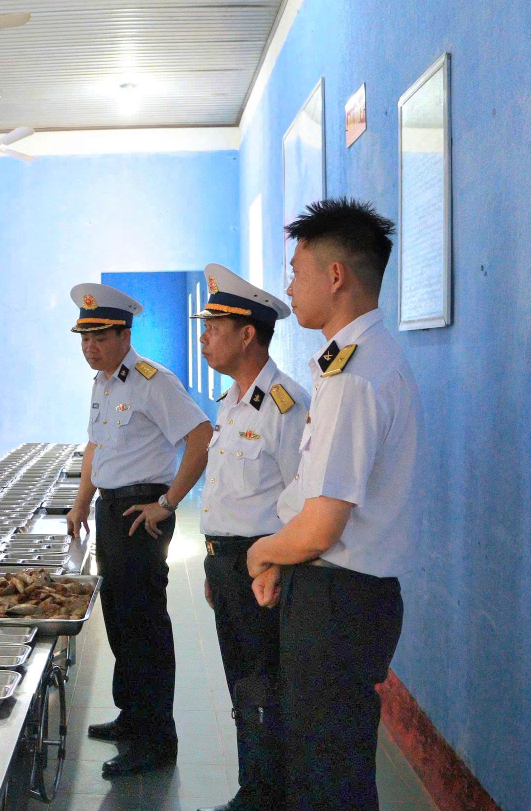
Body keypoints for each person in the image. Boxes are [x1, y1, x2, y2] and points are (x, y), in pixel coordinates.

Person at [246, 198, 423, 811]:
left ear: (336, 276)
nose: (290, 287)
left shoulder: (353, 377)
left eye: (297, 271)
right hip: (344, 596)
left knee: (326, 778)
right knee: (331, 765)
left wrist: (262, 553)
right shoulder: (359, 362)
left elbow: (322, 526)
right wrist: (284, 555)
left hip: (337, 603)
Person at [64, 282, 212, 778]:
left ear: (125, 335)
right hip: (110, 511)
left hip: (140, 512)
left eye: (99, 338)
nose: (90, 347)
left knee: (145, 625)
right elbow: (94, 447)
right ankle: (132, 716)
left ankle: (156, 739)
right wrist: (80, 503)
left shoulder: (153, 381)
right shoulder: (103, 383)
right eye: (84, 339)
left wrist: (168, 503)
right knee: (120, 619)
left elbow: (201, 436)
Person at [193, 263, 308, 811]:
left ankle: (268, 794)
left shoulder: (285, 404)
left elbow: (304, 500)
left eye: (214, 327)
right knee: (243, 684)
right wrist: (216, 566)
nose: (204, 337)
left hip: (264, 568)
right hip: (228, 565)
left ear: (247, 335)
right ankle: (256, 789)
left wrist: (275, 566)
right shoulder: (231, 403)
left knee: (265, 684)